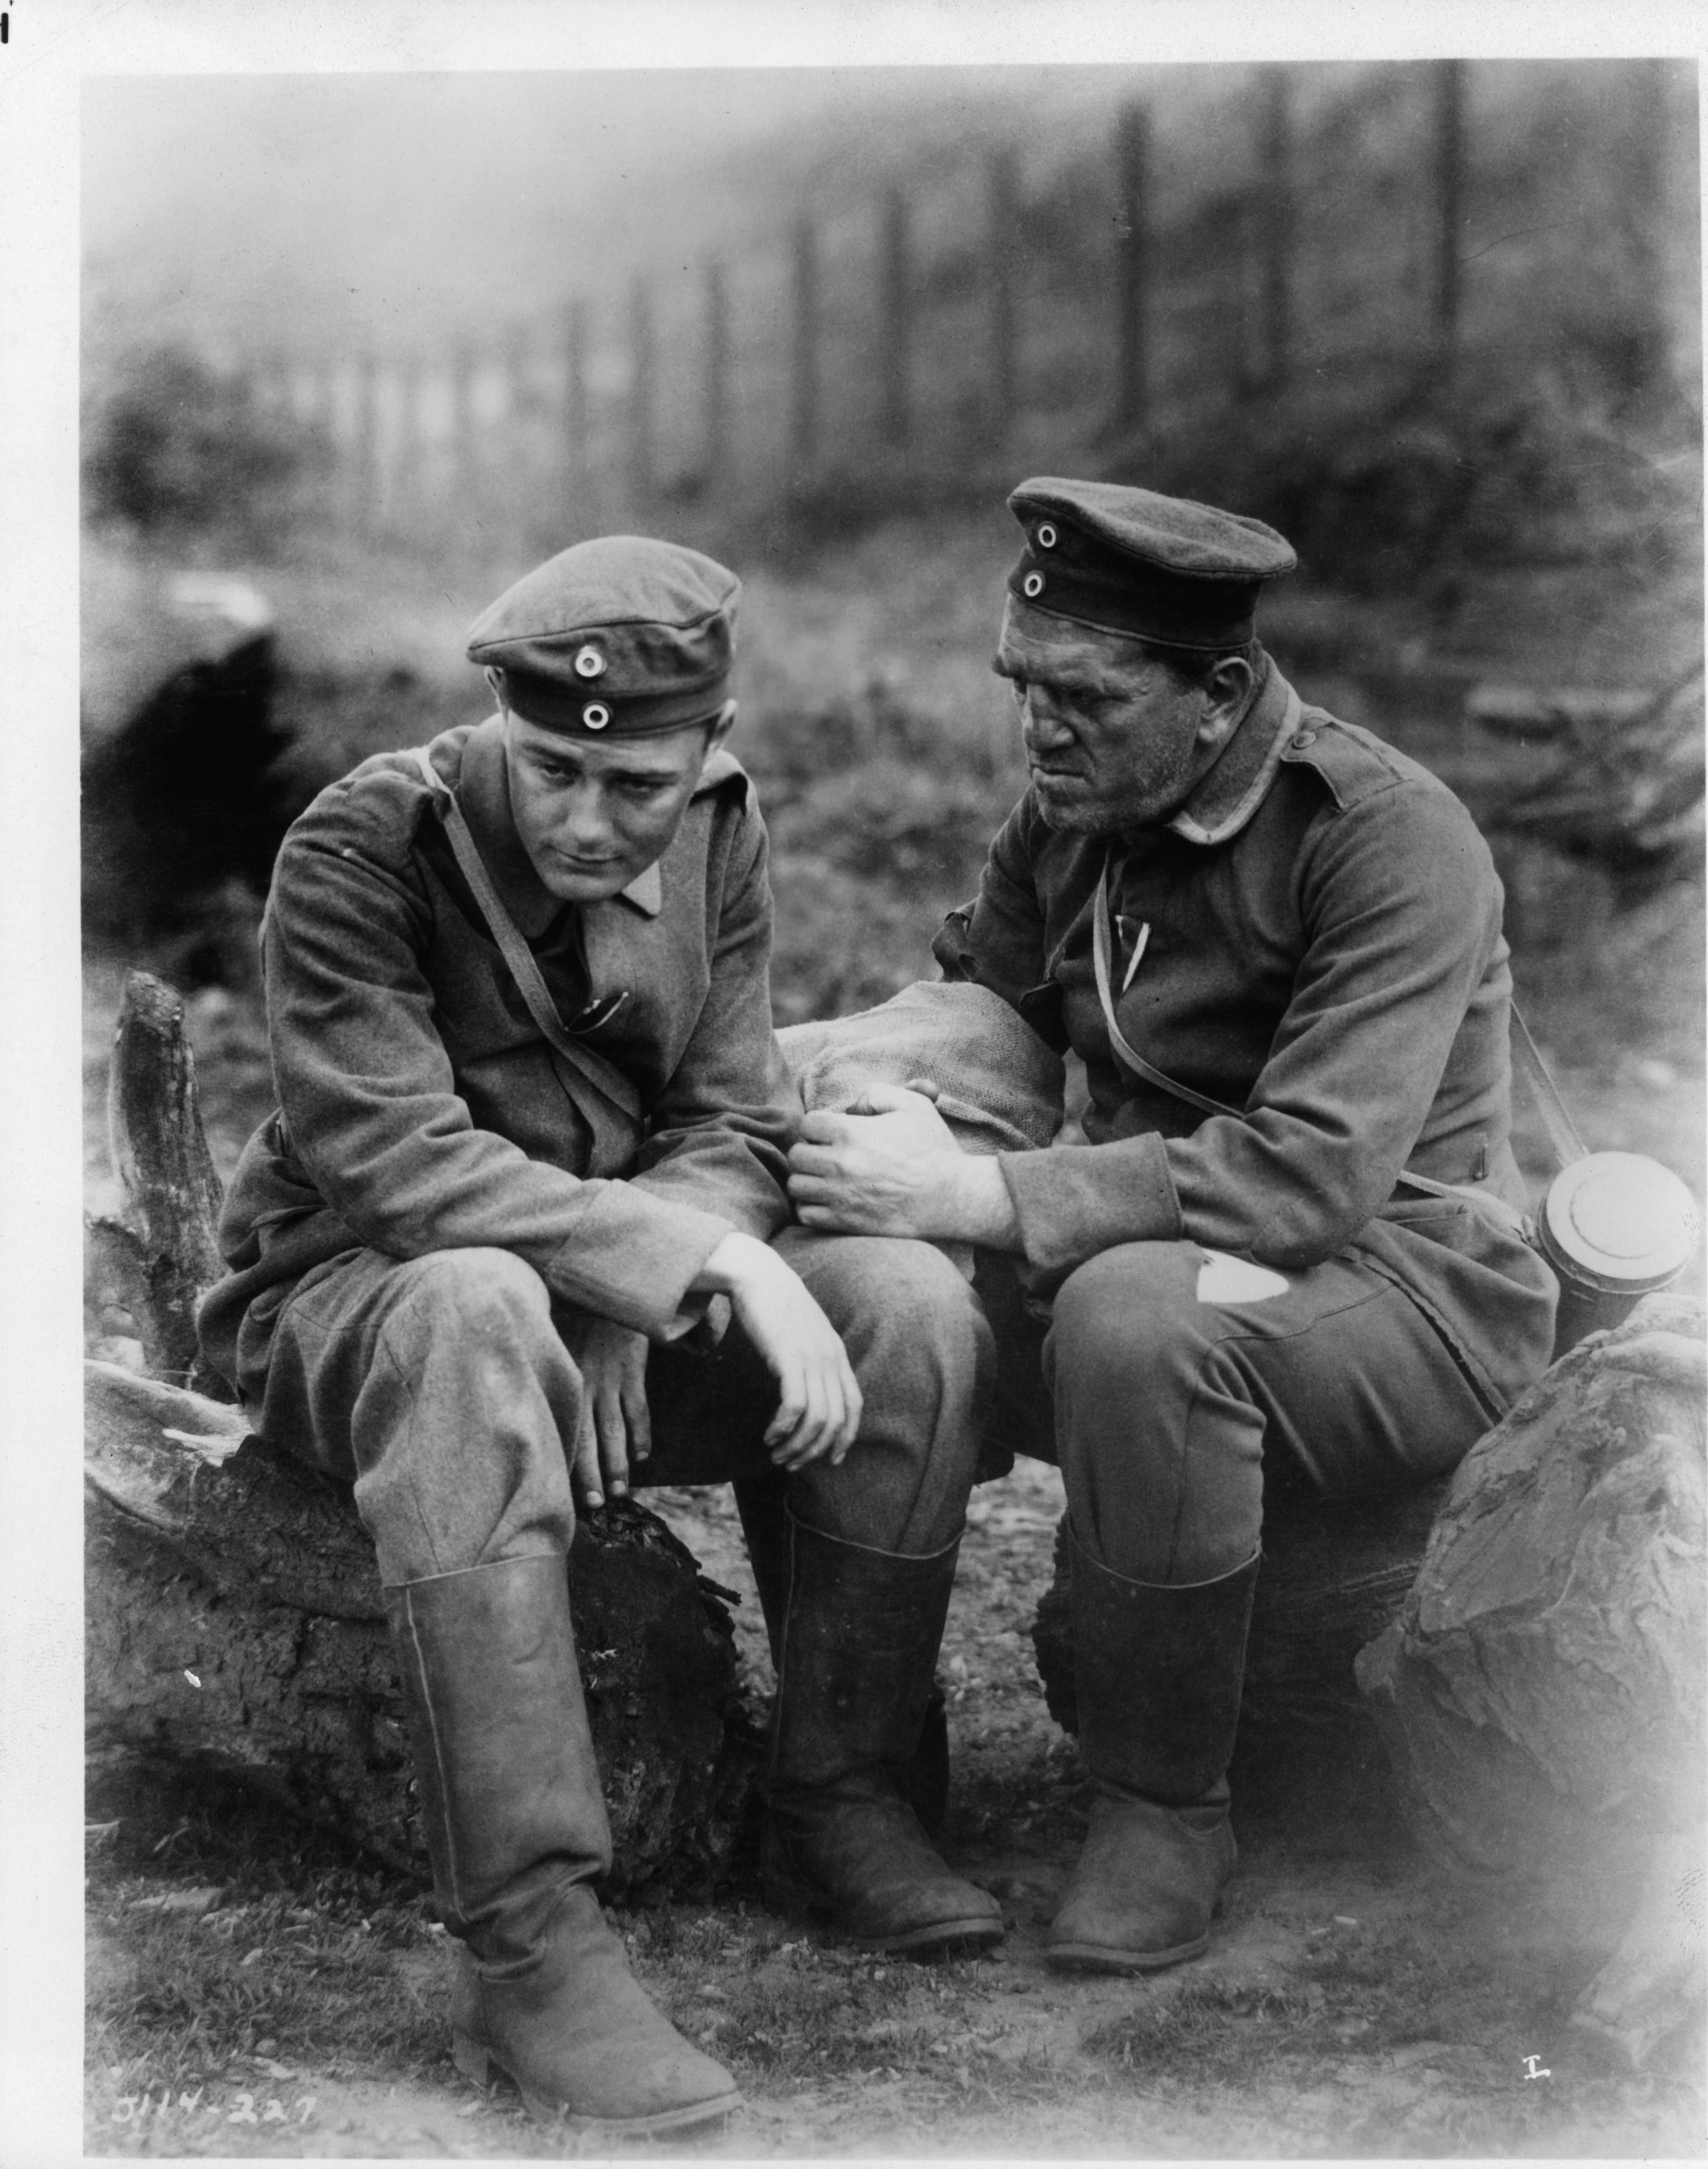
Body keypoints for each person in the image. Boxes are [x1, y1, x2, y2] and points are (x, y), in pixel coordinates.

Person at [196, 536, 1000, 2139]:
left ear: (702, 751)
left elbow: (725, 1109)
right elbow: (398, 1166)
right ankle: (532, 1938)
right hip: (369, 1310)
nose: (585, 818)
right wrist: (676, 1259)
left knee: (901, 1299)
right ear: (499, 727)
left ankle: (834, 1793)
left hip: (586, 1307)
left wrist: (660, 1287)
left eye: (631, 782)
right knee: (484, 1301)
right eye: (550, 769)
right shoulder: (366, 844)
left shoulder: (721, 832)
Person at [785, 477, 1561, 1975]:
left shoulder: (1385, 837)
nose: (1040, 732)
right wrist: (825, 1087)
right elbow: (989, 1020)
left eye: (1082, 696)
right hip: (1160, 1263)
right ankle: (853, 1778)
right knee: (887, 1292)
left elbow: (1317, 1172)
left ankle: (1161, 1805)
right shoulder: (1078, 815)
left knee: (1134, 1315)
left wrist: (982, 1193)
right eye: (1024, 689)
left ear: (1218, 694)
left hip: (1402, 1286)